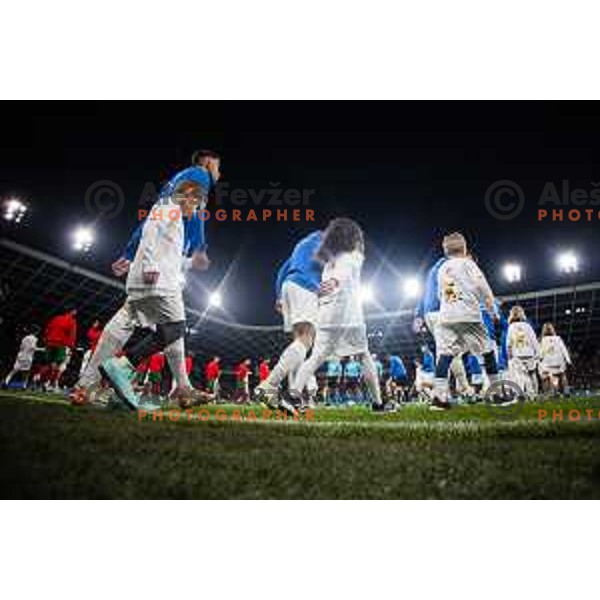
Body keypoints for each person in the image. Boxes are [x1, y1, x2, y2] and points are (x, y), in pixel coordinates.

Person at [71, 149, 221, 409]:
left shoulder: (172, 193)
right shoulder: (199, 175)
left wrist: (130, 252)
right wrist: (198, 248)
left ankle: (84, 387)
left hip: (156, 261)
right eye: (218, 167)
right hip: (160, 269)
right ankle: (125, 367)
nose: (219, 173)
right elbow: (161, 219)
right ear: (208, 164)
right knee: (174, 326)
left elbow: (157, 220)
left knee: (125, 321)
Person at [289, 218, 389, 412]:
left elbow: (337, 275)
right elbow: (346, 270)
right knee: (364, 357)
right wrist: (336, 281)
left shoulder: (329, 262)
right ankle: (377, 403)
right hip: (348, 317)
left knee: (315, 358)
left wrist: (331, 283)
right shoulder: (352, 256)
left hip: (326, 316)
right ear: (352, 237)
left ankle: (292, 397)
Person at [431, 232, 504, 410]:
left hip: (447, 315)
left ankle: (439, 398)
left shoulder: (442, 268)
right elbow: (483, 287)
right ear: (464, 249)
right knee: (487, 352)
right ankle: (496, 394)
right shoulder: (468, 264)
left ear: (446, 251)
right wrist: (492, 311)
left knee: (445, 355)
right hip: (469, 315)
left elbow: (441, 294)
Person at [254, 229, 323, 406]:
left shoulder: (300, 247)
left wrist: (278, 295)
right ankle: (269, 385)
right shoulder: (324, 243)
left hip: (288, 286)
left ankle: (294, 396)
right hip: (305, 288)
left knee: (299, 344)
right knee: (305, 341)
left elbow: (282, 270)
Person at [506, 305, 540, 399]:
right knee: (532, 374)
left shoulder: (511, 327)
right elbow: (534, 340)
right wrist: (537, 353)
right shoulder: (528, 326)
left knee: (522, 375)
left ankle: (523, 393)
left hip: (518, 354)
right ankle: (534, 394)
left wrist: (509, 358)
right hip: (529, 353)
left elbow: (509, 344)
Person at [41, 308, 78, 391]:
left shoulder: (56, 318)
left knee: (48, 364)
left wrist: (46, 339)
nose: (76, 312)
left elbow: (48, 329)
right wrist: (71, 347)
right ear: (72, 311)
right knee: (57, 366)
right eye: (75, 311)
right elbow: (72, 335)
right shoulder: (72, 321)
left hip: (50, 342)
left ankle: (42, 381)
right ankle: (50, 384)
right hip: (60, 344)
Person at [539, 323, 571, 395]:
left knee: (547, 377)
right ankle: (566, 391)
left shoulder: (542, 340)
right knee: (562, 375)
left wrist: (540, 360)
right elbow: (564, 350)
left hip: (548, 362)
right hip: (558, 361)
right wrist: (568, 360)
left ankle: (549, 392)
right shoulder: (558, 338)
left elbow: (541, 353)